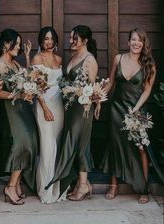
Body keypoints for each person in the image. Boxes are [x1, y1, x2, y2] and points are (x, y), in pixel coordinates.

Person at [101, 27, 164, 204]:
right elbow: (111, 83)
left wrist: (136, 109)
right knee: (114, 145)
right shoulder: (118, 59)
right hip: (116, 109)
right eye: (133, 39)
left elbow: (147, 90)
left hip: (136, 111)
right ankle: (113, 185)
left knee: (140, 148)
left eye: (140, 40)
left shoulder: (149, 64)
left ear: (143, 44)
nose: (136, 43)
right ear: (128, 42)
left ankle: (143, 188)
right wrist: (96, 96)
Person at [46, 25, 101, 201]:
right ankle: (80, 182)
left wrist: (95, 104)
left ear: (84, 41)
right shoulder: (73, 56)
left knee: (80, 145)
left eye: (74, 38)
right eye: (70, 38)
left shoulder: (89, 60)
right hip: (71, 108)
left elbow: (93, 88)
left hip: (83, 109)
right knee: (73, 142)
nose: (70, 41)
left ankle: (83, 185)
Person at [0, 28, 39, 205]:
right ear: (5, 44)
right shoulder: (0, 65)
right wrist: (18, 95)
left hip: (22, 109)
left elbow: (25, 77)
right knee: (22, 144)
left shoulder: (15, 62)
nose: (18, 47)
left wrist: (27, 56)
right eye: (16, 44)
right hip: (11, 110)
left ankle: (17, 183)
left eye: (19, 44)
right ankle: (10, 187)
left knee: (31, 141)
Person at [30, 27, 64, 204]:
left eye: (52, 39)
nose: (49, 42)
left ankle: (56, 187)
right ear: (41, 41)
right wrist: (44, 108)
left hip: (59, 105)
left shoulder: (59, 59)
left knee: (57, 145)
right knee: (47, 146)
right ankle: (45, 189)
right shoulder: (37, 58)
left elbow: (62, 84)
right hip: (44, 106)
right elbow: (35, 86)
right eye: (45, 39)